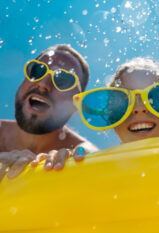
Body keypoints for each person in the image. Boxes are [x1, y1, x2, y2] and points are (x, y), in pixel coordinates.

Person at [0, 44, 98, 181]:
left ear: (76, 103)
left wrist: (83, 159)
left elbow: (94, 158)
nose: (43, 84)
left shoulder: (79, 151)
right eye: (37, 71)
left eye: (63, 80)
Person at [73, 57, 159, 143]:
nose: (139, 108)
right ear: (113, 122)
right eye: (124, 102)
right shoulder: (99, 171)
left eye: (154, 99)